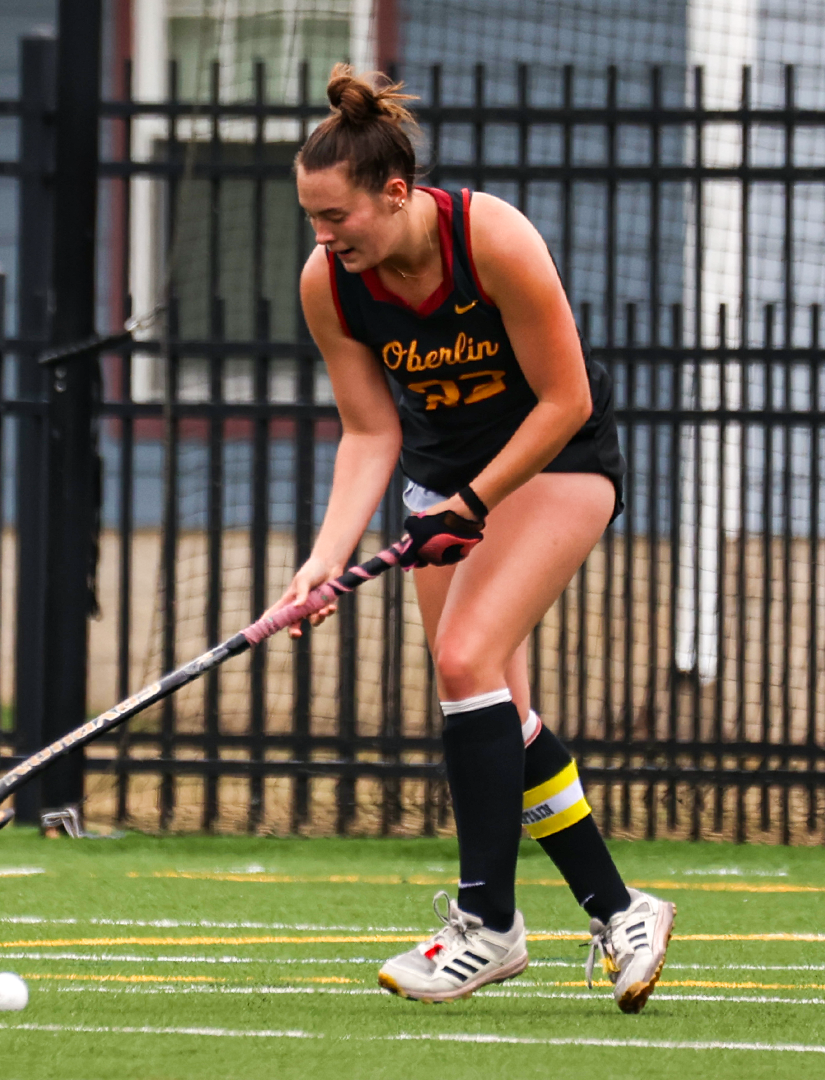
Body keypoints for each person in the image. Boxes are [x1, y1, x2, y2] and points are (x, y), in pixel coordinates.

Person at [272, 64, 674, 1012]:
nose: (323, 238)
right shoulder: (330, 285)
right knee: (494, 707)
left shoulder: (489, 236)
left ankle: (487, 923)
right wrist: (324, 561)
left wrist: (475, 501)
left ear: (397, 193)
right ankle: (620, 910)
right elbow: (371, 432)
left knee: (462, 658)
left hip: (559, 458)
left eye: (336, 218)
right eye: (311, 220)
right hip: (445, 478)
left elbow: (565, 396)